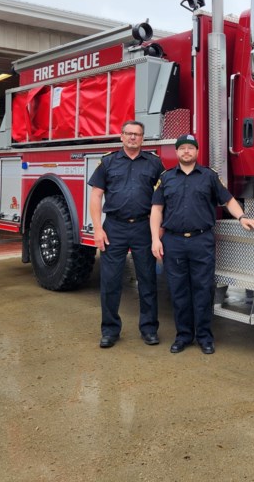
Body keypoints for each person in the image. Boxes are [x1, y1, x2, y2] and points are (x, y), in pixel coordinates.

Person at [150, 133, 254, 355]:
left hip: (202, 241)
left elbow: (228, 200)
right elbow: (156, 210)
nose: (187, 152)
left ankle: (204, 337)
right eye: (182, 148)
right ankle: (183, 337)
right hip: (173, 241)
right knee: (178, 291)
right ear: (177, 152)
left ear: (197, 152)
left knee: (203, 291)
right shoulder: (167, 178)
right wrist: (155, 239)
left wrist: (242, 217)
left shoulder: (209, 176)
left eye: (191, 148)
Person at [88, 120, 165, 348]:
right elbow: (96, 196)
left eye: (137, 134)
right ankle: (110, 331)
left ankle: (149, 329)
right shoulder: (108, 162)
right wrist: (98, 229)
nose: (133, 138)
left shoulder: (154, 164)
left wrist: (158, 232)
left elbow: (162, 199)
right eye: (129, 134)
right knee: (110, 282)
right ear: (121, 136)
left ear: (143, 138)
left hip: (143, 227)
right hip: (114, 228)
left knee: (148, 281)